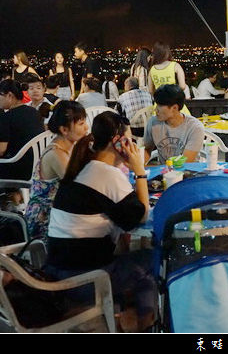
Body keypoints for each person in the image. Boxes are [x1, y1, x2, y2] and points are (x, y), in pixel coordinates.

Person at [44, 111, 155, 332]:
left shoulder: (83, 166)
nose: (133, 145)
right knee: (156, 258)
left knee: (132, 257)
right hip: (82, 281)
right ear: (119, 143)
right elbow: (140, 216)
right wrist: (140, 172)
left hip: (56, 270)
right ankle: (144, 326)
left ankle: (126, 318)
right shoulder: (107, 174)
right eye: (130, 140)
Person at [23, 101, 89, 247]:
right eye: (81, 123)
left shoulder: (69, 148)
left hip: (59, 212)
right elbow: (78, 187)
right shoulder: (56, 154)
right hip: (45, 219)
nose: (86, 128)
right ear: (64, 129)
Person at [0, 79, 45, 180]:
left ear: (9, 95)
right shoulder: (34, 112)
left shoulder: (7, 117)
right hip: (37, 165)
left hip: (17, 169)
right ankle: (15, 194)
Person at [143, 84, 204, 165]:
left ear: (175, 108)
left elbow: (185, 162)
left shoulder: (195, 127)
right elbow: (146, 150)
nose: (156, 109)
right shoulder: (153, 122)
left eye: (160, 105)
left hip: (188, 173)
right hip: (163, 173)